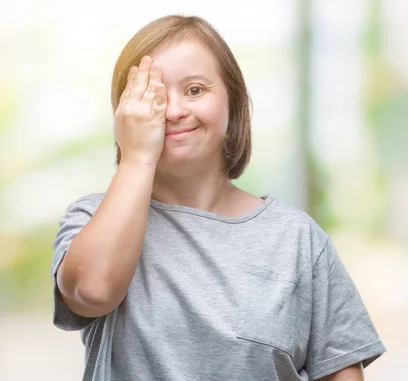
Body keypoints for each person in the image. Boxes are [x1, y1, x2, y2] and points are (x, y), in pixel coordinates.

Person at [50, 14, 386, 381]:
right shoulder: (92, 218)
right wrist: (137, 156)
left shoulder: (297, 239)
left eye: (195, 90)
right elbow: (92, 291)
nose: (175, 111)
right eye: (153, 96)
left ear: (233, 104)